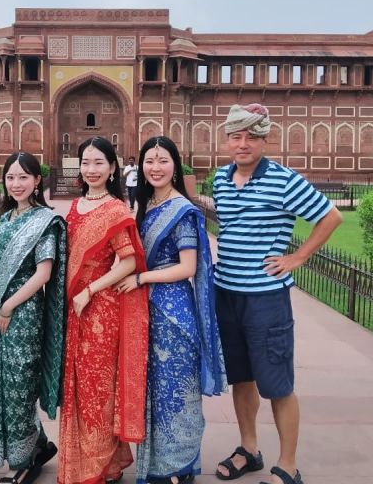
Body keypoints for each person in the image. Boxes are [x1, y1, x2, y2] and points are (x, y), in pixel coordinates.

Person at [212, 104, 342, 484]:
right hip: (228, 291)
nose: (243, 144)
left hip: (266, 297)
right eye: (236, 136)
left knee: (278, 383)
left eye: (252, 136)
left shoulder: (284, 180)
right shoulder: (221, 178)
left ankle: (288, 465)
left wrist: (297, 257)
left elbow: (331, 216)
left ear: (265, 140)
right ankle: (249, 449)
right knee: (242, 378)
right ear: (227, 141)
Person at [115, 136, 225, 484]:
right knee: (153, 390)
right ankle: (155, 464)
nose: (156, 168)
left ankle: (178, 466)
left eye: (163, 161)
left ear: (175, 165)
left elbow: (187, 268)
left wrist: (142, 277)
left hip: (174, 311)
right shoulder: (145, 205)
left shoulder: (182, 210)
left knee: (177, 390)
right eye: (150, 161)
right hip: (145, 309)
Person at [0, 151, 68, 484]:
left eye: (24, 177)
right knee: (3, 381)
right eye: (10, 177)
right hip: (2, 313)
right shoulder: (5, 219)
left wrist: (9, 305)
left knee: (19, 385)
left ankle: (22, 461)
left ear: (37, 180)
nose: (16, 183)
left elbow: (44, 273)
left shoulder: (43, 220)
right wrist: (0, 306)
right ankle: (37, 445)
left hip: (24, 314)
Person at [58, 136, 149, 484]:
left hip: (100, 310)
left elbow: (127, 262)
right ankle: (86, 459)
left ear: (112, 168)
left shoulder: (114, 210)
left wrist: (90, 291)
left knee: (97, 386)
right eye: (86, 162)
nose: (91, 169)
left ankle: (99, 464)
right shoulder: (76, 206)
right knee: (78, 386)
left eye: (99, 163)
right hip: (76, 309)